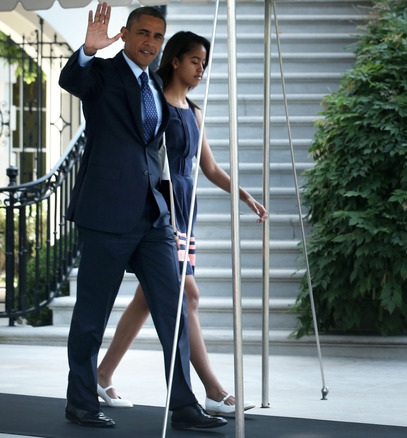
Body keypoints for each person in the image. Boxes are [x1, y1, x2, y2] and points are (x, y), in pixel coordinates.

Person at [59, 3, 226, 429]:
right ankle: (80, 401)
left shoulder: (156, 83)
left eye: (157, 35)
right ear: (127, 35)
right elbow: (71, 80)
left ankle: (185, 404)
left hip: (153, 216)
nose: (150, 41)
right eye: (143, 33)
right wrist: (87, 51)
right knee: (92, 313)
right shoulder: (103, 75)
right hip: (106, 213)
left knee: (173, 309)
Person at [95, 30, 268, 416]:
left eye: (204, 63)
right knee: (187, 296)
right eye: (195, 61)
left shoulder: (194, 110)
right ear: (175, 61)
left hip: (186, 212)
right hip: (161, 209)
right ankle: (214, 389)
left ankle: (102, 374)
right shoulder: (153, 103)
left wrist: (244, 195)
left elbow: (209, 167)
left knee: (148, 298)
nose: (201, 69)